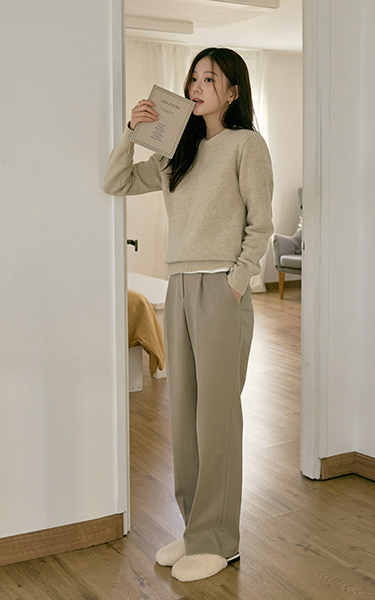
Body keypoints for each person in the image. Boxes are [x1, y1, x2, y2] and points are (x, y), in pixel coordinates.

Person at [104, 47, 274, 582]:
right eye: (193, 78)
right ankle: (195, 527)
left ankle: (219, 540)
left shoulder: (246, 146)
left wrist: (236, 282)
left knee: (217, 417)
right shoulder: (177, 151)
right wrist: (132, 133)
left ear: (233, 92)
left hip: (221, 288)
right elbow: (116, 183)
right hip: (179, 285)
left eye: (210, 78)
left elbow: (261, 225)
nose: (197, 87)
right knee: (185, 417)